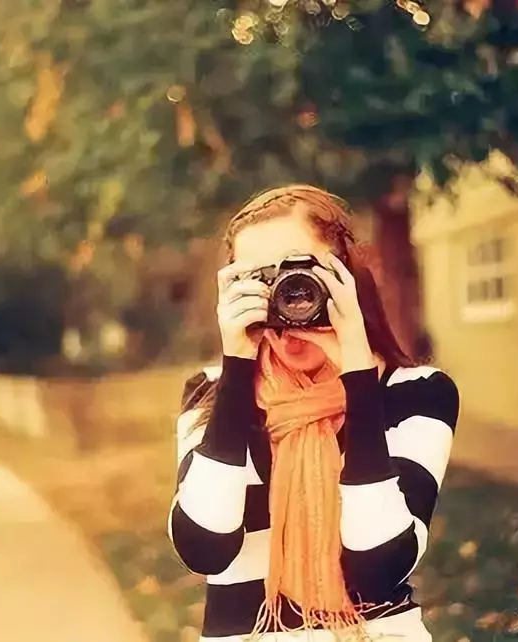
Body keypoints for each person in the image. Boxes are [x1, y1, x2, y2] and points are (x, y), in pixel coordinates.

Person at [167, 185, 460, 641]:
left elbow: (377, 564)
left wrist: (358, 375)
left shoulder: (416, 393)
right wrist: (237, 370)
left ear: (348, 276)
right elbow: (204, 548)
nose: (288, 295)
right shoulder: (210, 393)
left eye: (301, 272)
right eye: (260, 278)